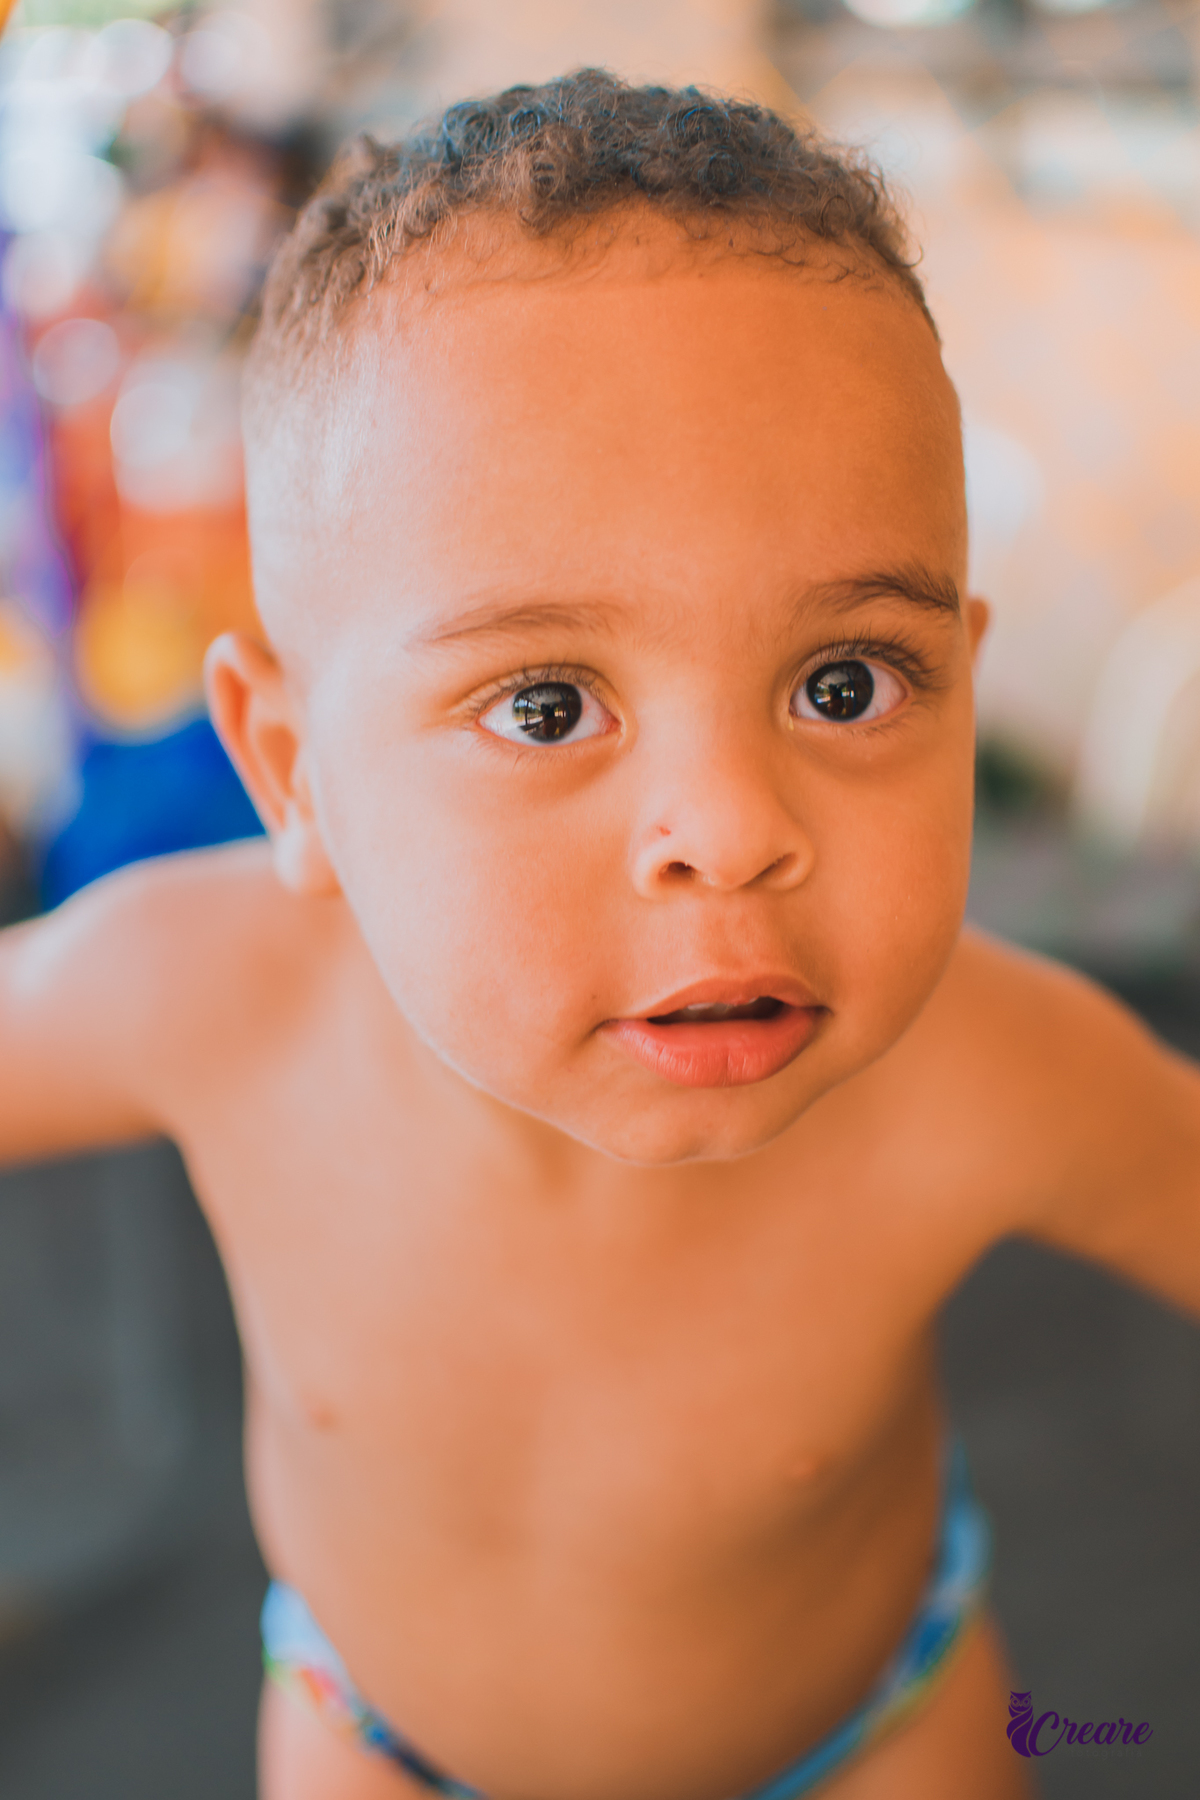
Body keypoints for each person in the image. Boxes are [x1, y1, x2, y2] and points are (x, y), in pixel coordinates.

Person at [3, 69, 1196, 1800]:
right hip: (377, 1740)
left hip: (879, 1730)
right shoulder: (202, 999)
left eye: (845, 683)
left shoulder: (995, 1074)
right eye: (548, 705)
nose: (732, 830)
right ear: (294, 771)